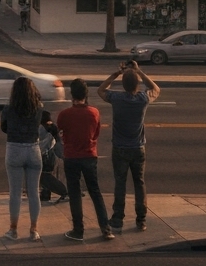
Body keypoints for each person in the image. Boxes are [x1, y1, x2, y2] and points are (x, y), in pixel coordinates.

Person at [100, 61, 159, 232]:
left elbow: (101, 90)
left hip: (119, 148)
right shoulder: (143, 99)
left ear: (123, 85)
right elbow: (156, 89)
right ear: (137, 84)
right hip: (138, 148)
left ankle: (118, 218)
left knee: (120, 183)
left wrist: (116, 74)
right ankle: (141, 219)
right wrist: (139, 71)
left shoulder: (117, 98)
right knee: (139, 183)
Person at [56, 78, 112, 242]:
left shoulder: (65, 114)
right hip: (89, 155)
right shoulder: (94, 112)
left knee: (74, 194)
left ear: (72, 94)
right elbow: (96, 133)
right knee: (95, 192)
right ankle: (106, 228)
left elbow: (60, 130)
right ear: (86, 94)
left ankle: (78, 230)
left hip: (72, 156)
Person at [0, 77, 45, 242]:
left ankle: (13, 230)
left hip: (14, 150)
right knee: (34, 193)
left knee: (15, 194)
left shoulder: (8, 109)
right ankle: (34, 230)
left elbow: (4, 128)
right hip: (33, 149)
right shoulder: (38, 108)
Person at [37, 112, 69, 204]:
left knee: (44, 177)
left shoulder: (42, 129)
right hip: (50, 155)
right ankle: (45, 195)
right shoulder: (52, 128)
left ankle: (64, 192)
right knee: (45, 175)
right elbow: (58, 142)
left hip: (45, 155)